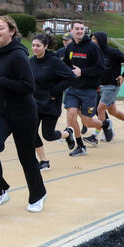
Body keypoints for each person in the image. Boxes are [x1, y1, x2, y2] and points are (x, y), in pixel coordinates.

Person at [0, 16, 47, 214]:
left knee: (26, 156)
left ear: (11, 31)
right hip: (1, 111)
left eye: (1, 28)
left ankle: (38, 194)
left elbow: (28, 86)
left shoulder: (18, 55)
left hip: (23, 113)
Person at [29, 34, 76, 170]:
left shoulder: (54, 61)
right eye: (33, 45)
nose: (35, 48)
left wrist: (54, 91)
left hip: (51, 103)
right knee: (31, 132)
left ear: (45, 46)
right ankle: (44, 161)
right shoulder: (30, 62)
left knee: (48, 135)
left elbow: (70, 77)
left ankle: (67, 133)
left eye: (38, 46)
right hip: (34, 104)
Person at [63, 21, 111, 156]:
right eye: (76, 29)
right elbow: (65, 65)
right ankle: (80, 146)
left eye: (81, 29)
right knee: (71, 116)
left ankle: (105, 124)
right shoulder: (70, 47)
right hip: (73, 88)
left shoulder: (92, 47)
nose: (79, 31)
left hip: (88, 89)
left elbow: (101, 67)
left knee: (87, 121)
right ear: (71, 31)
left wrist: (82, 72)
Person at [89, 32, 124, 144]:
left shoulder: (113, 52)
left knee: (100, 109)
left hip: (112, 86)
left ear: (101, 40)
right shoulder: (94, 53)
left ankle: (95, 136)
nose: (92, 41)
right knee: (113, 111)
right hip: (101, 86)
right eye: (91, 39)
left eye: (94, 39)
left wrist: (123, 76)